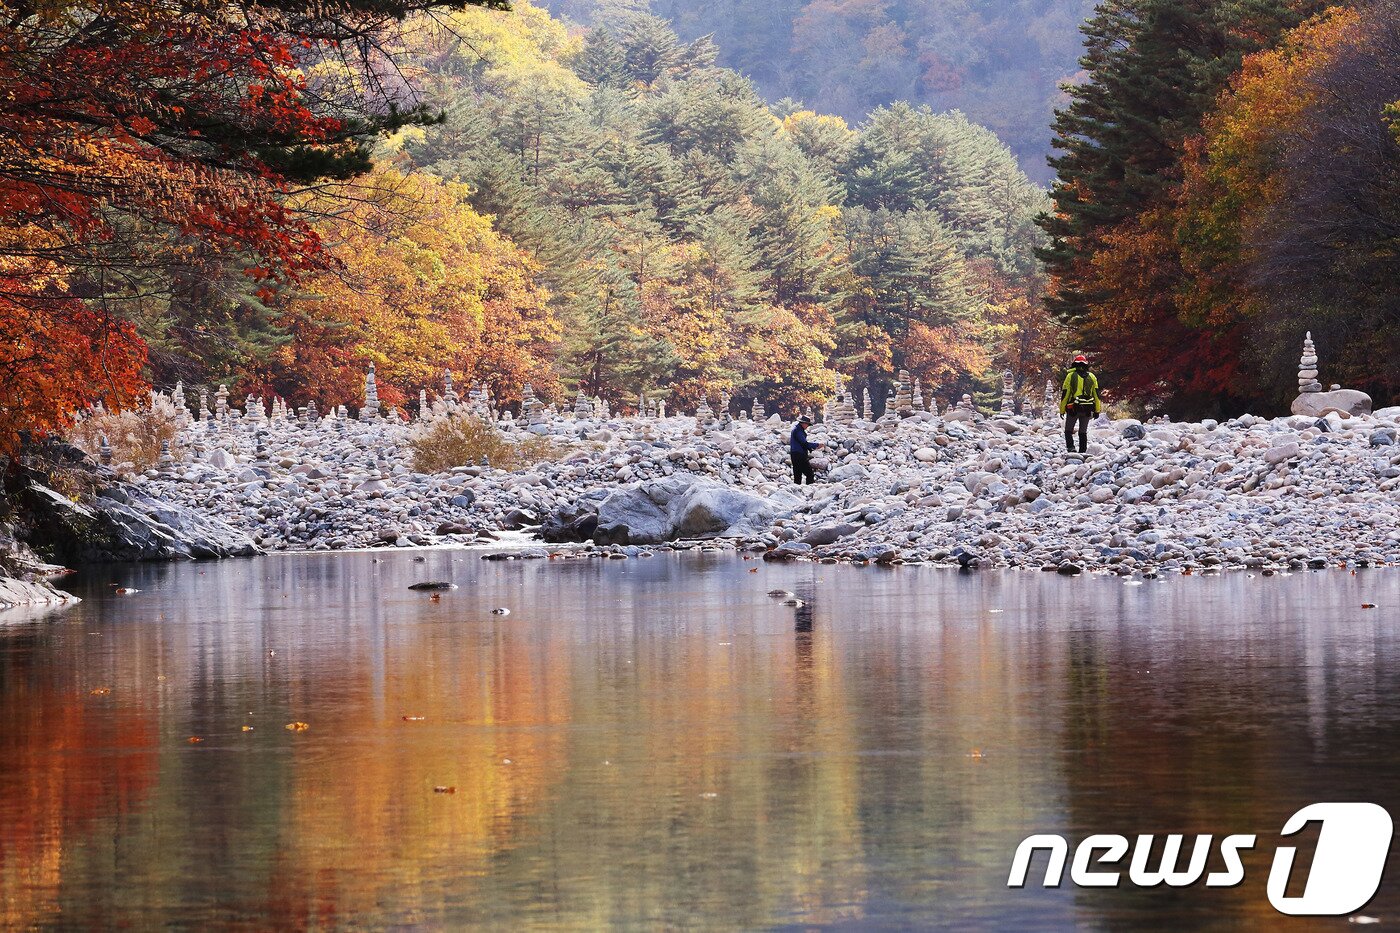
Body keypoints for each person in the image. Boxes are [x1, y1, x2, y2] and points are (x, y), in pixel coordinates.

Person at [1060, 354, 1102, 453]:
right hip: (1087, 409)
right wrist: (1097, 410)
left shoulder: (1070, 376)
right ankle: (1083, 452)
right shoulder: (1092, 376)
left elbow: (1065, 394)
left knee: (1068, 430)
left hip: (1073, 408)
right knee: (1083, 431)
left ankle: (1071, 448)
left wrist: (1062, 410)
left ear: (1075, 364)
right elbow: (1096, 395)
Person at [789, 414, 819, 484]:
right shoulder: (798, 431)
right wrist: (817, 445)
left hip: (794, 454)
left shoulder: (796, 430)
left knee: (797, 475)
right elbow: (804, 443)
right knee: (809, 474)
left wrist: (810, 448)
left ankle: (797, 489)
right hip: (799, 455)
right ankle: (809, 488)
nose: (807, 426)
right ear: (803, 423)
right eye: (807, 424)